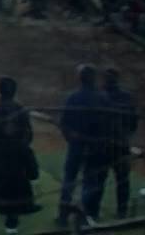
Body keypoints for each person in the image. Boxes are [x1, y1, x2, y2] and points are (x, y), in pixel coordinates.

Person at [0, 77, 40, 234]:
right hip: (15, 164)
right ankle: (11, 228)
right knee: (14, 198)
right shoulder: (21, 112)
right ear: (14, 92)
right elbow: (28, 136)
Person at [58, 64, 111, 227]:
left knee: (69, 181)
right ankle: (84, 213)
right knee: (90, 182)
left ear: (80, 78)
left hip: (78, 146)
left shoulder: (73, 97)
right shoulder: (103, 98)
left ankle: (63, 215)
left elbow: (64, 123)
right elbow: (108, 125)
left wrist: (71, 138)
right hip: (94, 147)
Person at [89, 68, 138, 220]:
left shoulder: (98, 96)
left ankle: (94, 212)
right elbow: (133, 122)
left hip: (104, 145)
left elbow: (93, 122)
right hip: (120, 144)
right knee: (121, 181)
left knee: (101, 181)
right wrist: (125, 134)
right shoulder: (126, 97)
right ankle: (121, 212)